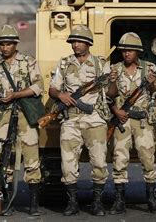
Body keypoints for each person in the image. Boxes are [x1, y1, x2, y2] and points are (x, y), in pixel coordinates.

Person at [49, 25, 114, 216]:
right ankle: (72, 202)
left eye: (79, 42)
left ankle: (97, 202)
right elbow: (52, 88)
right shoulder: (64, 63)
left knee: (100, 162)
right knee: (68, 164)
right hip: (71, 119)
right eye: (73, 42)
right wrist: (60, 95)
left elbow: (111, 93)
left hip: (95, 119)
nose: (75, 45)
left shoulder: (101, 64)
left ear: (88, 43)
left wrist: (112, 81)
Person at [0, 24, 44, 216]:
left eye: (8, 44)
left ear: (15, 44)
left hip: (26, 116)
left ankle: (33, 204)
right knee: (4, 160)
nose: (4, 48)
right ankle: (5, 200)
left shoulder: (28, 62)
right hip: (3, 117)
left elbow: (38, 86)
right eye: (1, 44)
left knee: (32, 159)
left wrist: (15, 95)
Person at [108, 32, 156, 214]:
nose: (127, 54)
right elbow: (109, 96)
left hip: (142, 121)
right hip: (122, 121)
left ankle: (152, 199)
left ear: (138, 52)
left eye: (130, 50)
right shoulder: (115, 69)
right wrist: (116, 111)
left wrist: (153, 83)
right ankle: (119, 200)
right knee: (119, 159)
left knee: (147, 158)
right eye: (124, 50)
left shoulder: (149, 69)